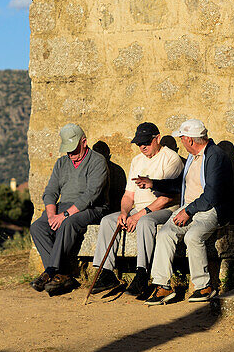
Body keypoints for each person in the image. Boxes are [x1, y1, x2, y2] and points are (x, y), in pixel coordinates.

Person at [89, 122, 185, 299]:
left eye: (146, 142)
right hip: (139, 208)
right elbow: (128, 195)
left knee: (146, 221)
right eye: (139, 143)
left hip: (165, 209)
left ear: (157, 139)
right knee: (109, 221)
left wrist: (139, 215)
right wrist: (125, 213)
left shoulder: (171, 159)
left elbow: (168, 197)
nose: (142, 147)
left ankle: (142, 272)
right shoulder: (136, 161)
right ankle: (106, 273)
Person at [145, 119, 233, 305]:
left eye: (182, 138)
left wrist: (188, 211)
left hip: (210, 210)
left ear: (190, 140)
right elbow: (182, 185)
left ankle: (204, 286)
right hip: (190, 208)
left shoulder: (215, 156)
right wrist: (155, 183)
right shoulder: (194, 156)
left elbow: (212, 195)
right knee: (165, 234)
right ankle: (162, 286)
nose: (181, 142)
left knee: (193, 236)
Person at [30, 123, 109, 296]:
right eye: (68, 150)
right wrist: (52, 215)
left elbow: (91, 195)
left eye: (74, 149)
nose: (71, 154)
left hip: (92, 208)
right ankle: (63, 275)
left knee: (67, 223)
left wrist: (64, 215)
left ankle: (50, 272)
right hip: (64, 206)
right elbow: (50, 192)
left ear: (84, 142)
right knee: (37, 227)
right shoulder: (61, 163)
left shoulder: (97, 162)